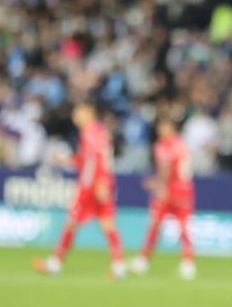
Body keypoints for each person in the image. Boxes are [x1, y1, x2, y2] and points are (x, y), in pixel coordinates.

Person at [34, 103, 126, 279]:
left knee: (76, 223)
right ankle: (119, 266)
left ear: (89, 112)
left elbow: (100, 159)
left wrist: (102, 181)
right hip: (97, 184)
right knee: (103, 225)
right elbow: (86, 160)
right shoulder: (95, 132)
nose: (75, 117)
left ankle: (56, 263)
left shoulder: (93, 132)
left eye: (78, 113)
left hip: (92, 186)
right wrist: (67, 159)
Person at [130, 116, 197, 279]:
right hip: (181, 190)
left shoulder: (166, 145)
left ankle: (145, 261)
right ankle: (187, 263)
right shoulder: (179, 144)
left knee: (166, 226)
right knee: (172, 226)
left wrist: (157, 184)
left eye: (164, 126)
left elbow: (168, 169)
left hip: (173, 191)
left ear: (172, 128)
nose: (161, 130)